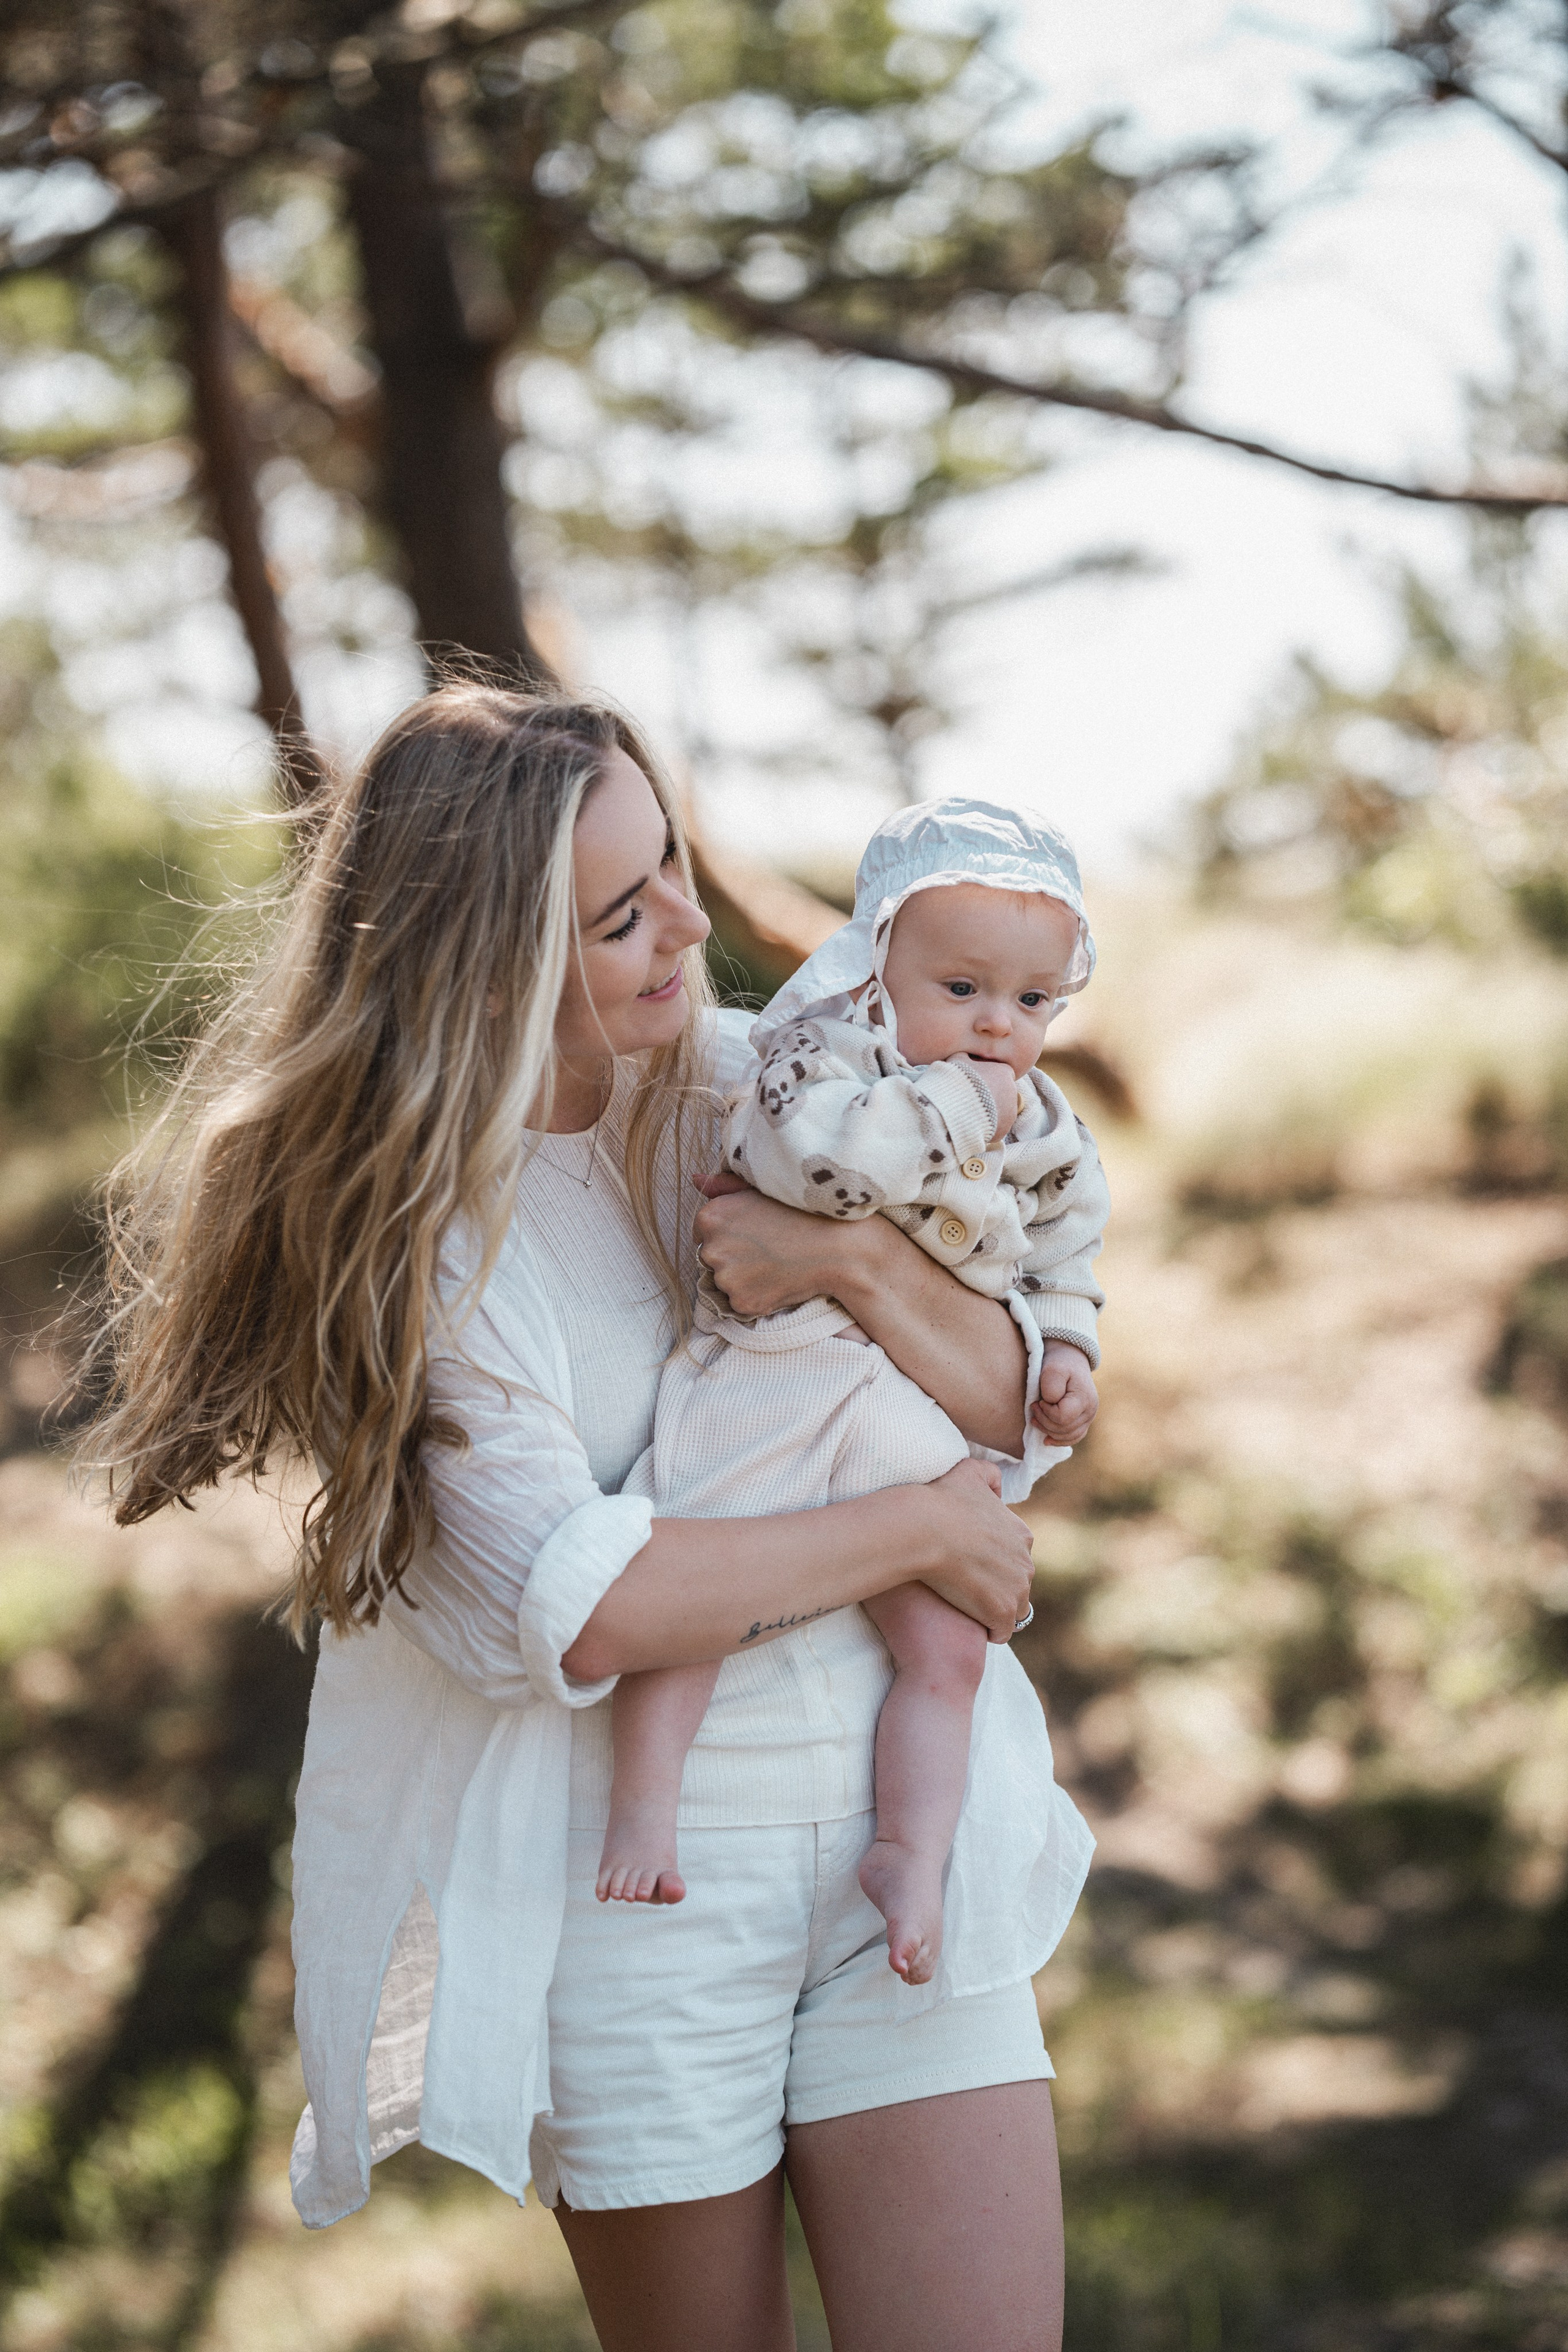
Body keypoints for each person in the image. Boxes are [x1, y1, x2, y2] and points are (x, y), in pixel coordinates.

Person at [81, 683, 1084, 2352]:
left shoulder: (755, 1092)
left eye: (674, 860)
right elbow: (591, 1605)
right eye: (626, 913)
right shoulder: (419, 1254)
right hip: (638, 1916)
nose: (695, 922)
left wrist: (845, 1260)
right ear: (492, 960)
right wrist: (916, 1536)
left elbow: (1006, 1389)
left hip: (911, 1846)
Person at [598, 798, 1106, 1998]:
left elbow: (1062, 1245)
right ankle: (643, 1811)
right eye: (963, 987)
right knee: (704, 1588)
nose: (995, 1026)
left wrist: (1069, 1347)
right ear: (878, 960)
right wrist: (946, 1109)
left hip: (901, 1405)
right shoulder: (814, 1057)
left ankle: (909, 1853)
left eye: (1030, 1004)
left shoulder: (1034, 1116)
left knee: (950, 1645)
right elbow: (810, 1175)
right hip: (778, 1371)